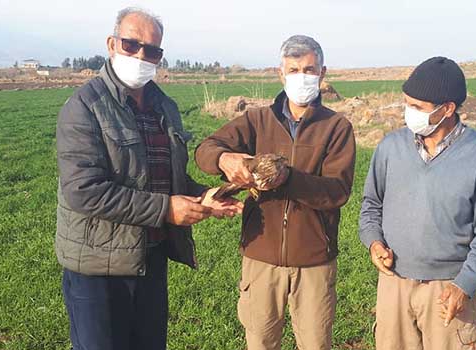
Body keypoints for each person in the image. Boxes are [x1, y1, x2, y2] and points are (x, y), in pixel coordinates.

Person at [55, 7, 241, 350]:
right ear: (112, 44)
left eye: (152, 50)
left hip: (148, 258)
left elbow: (168, 178)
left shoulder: (164, 107)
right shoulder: (84, 106)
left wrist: (205, 196)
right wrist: (166, 211)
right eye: (131, 45)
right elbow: (84, 191)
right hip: (97, 269)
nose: (141, 55)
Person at [195, 35, 356, 350]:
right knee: (260, 342)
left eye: (309, 69)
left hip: (314, 263)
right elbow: (204, 150)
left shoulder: (337, 127)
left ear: (322, 74)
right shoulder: (257, 120)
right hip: (260, 259)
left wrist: (287, 178)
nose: (302, 76)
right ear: (280, 74)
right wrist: (224, 159)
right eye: (293, 69)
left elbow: (337, 191)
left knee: (315, 343)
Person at [358, 56, 476, 350]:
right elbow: (371, 205)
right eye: (407, 103)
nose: (408, 113)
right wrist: (374, 243)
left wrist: (464, 285)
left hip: (448, 286)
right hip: (394, 283)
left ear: (447, 109)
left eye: (417, 107)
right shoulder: (390, 147)